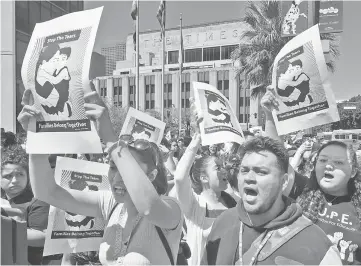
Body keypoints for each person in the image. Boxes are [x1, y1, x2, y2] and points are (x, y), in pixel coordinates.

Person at [18, 89, 183, 265]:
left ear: (151, 175)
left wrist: (110, 138)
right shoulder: (110, 203)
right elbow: (47, 192)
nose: (118, 178)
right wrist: (35, 136)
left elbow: (149, 208)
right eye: (113, 167)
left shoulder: (171, 208)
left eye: (127, 170)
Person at [201, 136, 342, 265]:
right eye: (244, 170)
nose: (249, 177)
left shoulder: (317, 246)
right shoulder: (223, 222)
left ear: (284, 182)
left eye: (261, 172)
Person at [261, 86, 361, 264]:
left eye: (338, 162)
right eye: (322, 161)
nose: (328, 166)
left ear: (353, 171)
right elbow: (277, 158)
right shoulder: (303, 191)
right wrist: (269, 116)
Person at [171, 118, 236, 265]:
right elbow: (180, 178)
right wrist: (197, 140)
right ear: (203, 178)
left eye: (223, 166)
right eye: (217, 168)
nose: (224, 171)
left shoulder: (234, 202)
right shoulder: (194, 204)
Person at [1, 144, 51, 265]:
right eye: (8, 176)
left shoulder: (38, 200)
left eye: (20, 174)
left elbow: (42, 238)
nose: (15, 180)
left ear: (28, 176)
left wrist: (5, 230)